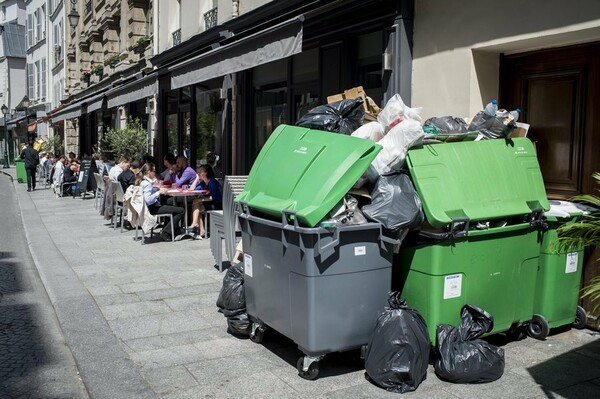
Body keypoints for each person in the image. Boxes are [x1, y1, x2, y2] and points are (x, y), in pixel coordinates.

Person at [137, 162, 184, 241]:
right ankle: (166, 231)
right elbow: (148, 200)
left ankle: (172, 230)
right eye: (154, 171)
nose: (155, 173)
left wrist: (156, 189)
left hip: (149, 207)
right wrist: (159, 192)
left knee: (169, 205)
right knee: (181, 210)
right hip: (152, 208)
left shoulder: (143, 182)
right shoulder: (147, 184)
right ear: (149, 172)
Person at [185, 164, 223, 238]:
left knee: (196, 203)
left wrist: (200, 199)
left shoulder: (212, 182)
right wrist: (196, 179)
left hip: (217, 204)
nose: (198, 173)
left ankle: (197, 226)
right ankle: (199, 228)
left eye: (200, 171)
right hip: (210, 203)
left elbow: (215, 197)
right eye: (198, 171)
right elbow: (192, 190)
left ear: (206, 172)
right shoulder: (203, 183)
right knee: (196, 204)